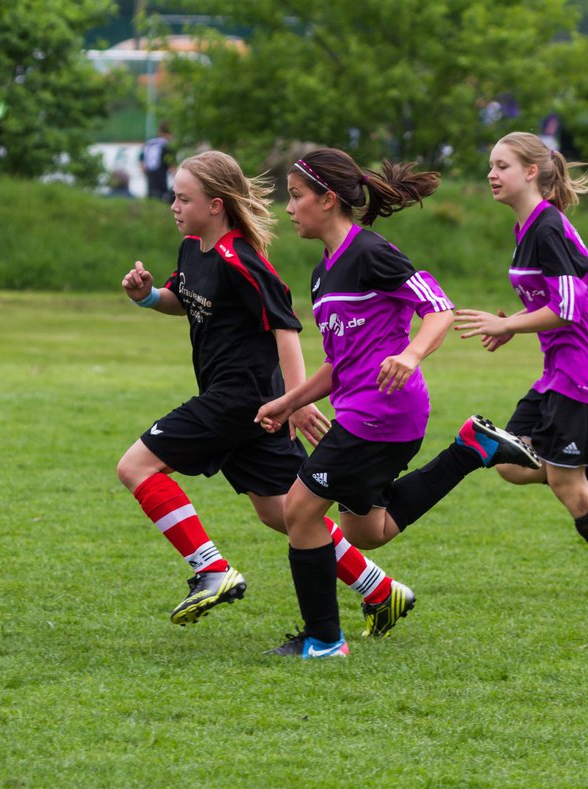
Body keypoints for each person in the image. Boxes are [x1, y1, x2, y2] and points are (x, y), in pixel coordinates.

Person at [254, 148, 540, 659]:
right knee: (368, 531)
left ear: (328, 198)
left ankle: (323, 640)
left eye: (296, 197)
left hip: (382, 413)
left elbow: (438, 309)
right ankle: (471, 450)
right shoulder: (324, 276)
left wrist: (410, 353)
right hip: (366, 410)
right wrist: (288, 402)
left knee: (299, 510)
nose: (289, 208)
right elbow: (338, 365)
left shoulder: (371, 253)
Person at [117, 150, 416, 637]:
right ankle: (380, 590)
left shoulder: (244, 259)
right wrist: (148, 296)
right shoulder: (193, 247)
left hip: (240, 398)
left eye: (183, 198)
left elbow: (287, 329)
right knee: (284, 513)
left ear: (216, 204)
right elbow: (188, 303)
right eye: (173, 196)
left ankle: (210, 569)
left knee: (136, 466)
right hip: (248, 405)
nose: (173, 205)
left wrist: (297, 401)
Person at [455, 132, 588, 602]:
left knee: (566, 479)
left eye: (502, 166)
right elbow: (554, 299)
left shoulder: (546, 227)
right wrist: (513, 325)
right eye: (490, 165)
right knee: (509, 460)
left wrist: (511, 325)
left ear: (531, 172)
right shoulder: (527, 228)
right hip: (561, 368)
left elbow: (567, 307)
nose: (491, 174)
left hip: (587, 368)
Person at [139, 121, 176, 202]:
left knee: (152, 199)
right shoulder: (168, 146)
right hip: (161, 181)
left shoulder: (149, 143)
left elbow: (141, 164)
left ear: (159, 132)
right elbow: (172, 168)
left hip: (150, 182)